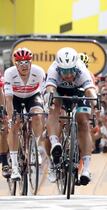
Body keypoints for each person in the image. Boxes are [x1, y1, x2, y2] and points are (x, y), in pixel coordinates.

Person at [44, 47, 98, 185]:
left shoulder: (82, 70)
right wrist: (49, 97)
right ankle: (56, 143)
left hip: (78, 91)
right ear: (59, 68)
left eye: (70, 71)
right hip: (59, 90)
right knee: (54, 106)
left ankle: (86, 169)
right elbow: (50, 88)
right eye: (64, 71)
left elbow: (90, 90)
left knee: (83, 121)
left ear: (76, 66)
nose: (68, 75)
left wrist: (95, 102)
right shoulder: (53, 69)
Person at [4, 48, 46, 180]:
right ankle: (15, 166)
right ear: (15, 64)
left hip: (32, 96)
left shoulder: (38, 72)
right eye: (20, 62)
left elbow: (44, 94)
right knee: (15, 125)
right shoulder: (9, 73)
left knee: (38, 115)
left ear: (31, 63)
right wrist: (11, 119)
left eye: (27, 62)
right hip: (15, 98)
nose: (24, 65)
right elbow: (9, 100)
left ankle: (35, 147)